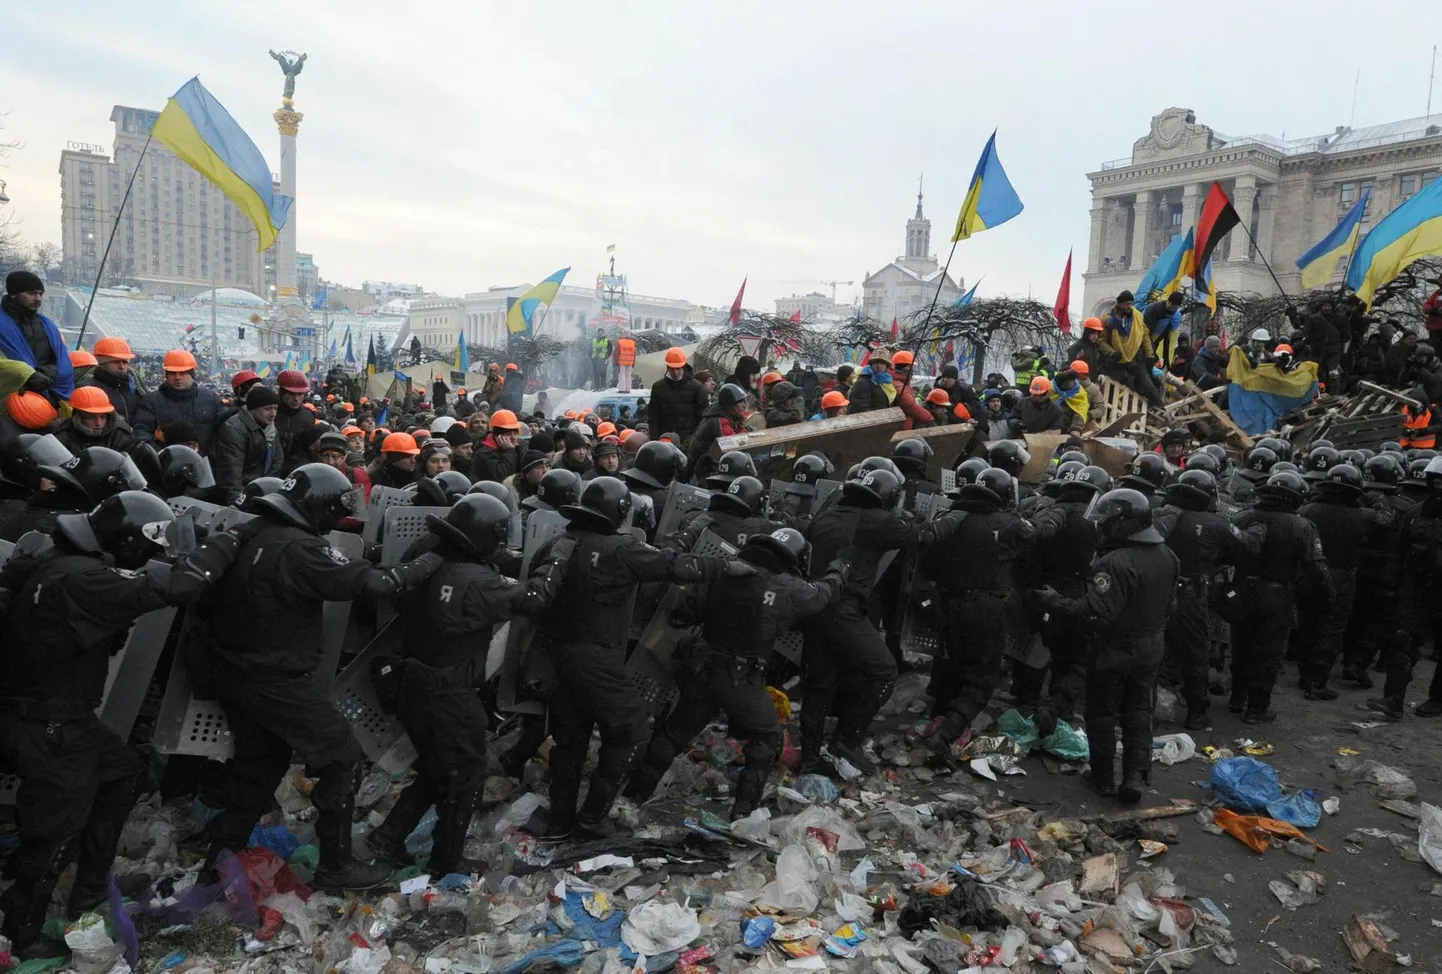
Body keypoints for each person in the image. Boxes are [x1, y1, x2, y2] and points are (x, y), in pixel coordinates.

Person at [0, 491, 253, 953]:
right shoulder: (86, 579)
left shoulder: (55, 562)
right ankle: (23, 931)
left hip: (51, 716)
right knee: (54, 833)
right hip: (52, 726)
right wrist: (229, 539)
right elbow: (177, 586)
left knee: (121, 772)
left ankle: (90, 886)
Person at [194, 465, 445, 890]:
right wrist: (431, 560)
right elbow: (373, 583)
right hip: (277, 679)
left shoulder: (250, 535)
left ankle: (215, 867)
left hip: (236, 673)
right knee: (340, 757)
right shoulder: (299, 548)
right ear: (320, 506)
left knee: (258, 769)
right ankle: (336, 866)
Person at [526, 476, 743, 839]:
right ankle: (591, 819)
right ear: (621, 513)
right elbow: (675, 566)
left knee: (571, 738)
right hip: (597, 658)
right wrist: (729, 567)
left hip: (557, 655)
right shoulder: (619, 550)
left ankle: (559, 821)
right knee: (631, 730)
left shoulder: (557, 543)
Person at [626, 529, 846, 817]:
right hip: (743, 679)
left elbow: (682, 613)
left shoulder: (725, 569)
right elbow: (822, 596)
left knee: (673, 734)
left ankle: (631, 798)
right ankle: (743, 815)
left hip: (702, 671)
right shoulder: (790, 587)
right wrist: (837, 573)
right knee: (767, 738)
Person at [363, 496, 526, 875]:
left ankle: (388, 836)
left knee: (439, 771)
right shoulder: (474, 579)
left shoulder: (427, 555)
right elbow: (529, 599)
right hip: (450, 693)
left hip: (414, 683)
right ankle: (446, 863)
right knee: (464, 776)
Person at [1037, 488, 1179, 802]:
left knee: (1101, 712)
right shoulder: (1168, 555)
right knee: (1140, 712)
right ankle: (1134, 779)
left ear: (1122, 523)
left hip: (1114, 650)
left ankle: (1102, 778)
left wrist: (1056, 602)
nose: (1102, 526)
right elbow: (1171, 606)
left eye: (1108, 521)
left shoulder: (1114, 563)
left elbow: (1094, 613)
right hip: (1151, 647)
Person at [921, 467, 1036, 753]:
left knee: (953, 664)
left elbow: (927, 563)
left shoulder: (949, 519)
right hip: (987, 607)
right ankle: (948, 732)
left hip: (949, 604)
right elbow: (1031, 544)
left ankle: (938, 718)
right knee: (982, 676)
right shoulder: (1010, 524)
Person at [1153, 469, 1261, 729]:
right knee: (1194, 653)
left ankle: (1146, 708)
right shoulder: (1217, 522)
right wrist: (1258, 529)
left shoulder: (1159, 514)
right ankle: (1197, 711)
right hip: (1190, 595)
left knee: (1152, 648)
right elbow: (1247, 546)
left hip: (1154, 591)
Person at [1229, 471, 1331, 723]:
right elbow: (1315, 566)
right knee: (1267, 652)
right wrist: (1329, 592)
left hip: (1240, 591)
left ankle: (1237, 698)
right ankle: (1256, 708)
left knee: (1241, 646)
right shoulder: (1301, 526)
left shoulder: (1242, 517)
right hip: (1276, 596)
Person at [1373, 456, 1442, 719]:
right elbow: (1398, 552)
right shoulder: (1416, 514)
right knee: (1402, 641)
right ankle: (1393, 700)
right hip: (1416, 589)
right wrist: (1390, 586)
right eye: (1436, 481)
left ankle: (1437, 699)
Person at [1296, 464, 1372, 701]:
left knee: (1308, 624)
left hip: (1309, 574)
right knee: (1331, 629)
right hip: (1340, 577)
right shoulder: (1364, 516)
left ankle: (1305, 675)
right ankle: (1317, 683)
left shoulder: (1307, 509)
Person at [0, 271, 74, 410]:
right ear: (13, 294)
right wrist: (27, 375)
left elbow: (61, 363)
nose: (38, 298)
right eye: (31, 293)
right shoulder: (2, 324)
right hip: (9, 406)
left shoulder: (48, 327)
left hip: (47, 403)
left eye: (41, 293)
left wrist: (45, 374)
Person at [131, 350, 225, 452]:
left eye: (183, 373)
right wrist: (160, 455)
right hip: (165, 464)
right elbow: (141, 432)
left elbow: (226, 429)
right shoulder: (151, 401)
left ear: (192, 375)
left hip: (205, 464)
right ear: (166, 375)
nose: (177, 377)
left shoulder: (211, 399)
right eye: (172, 373)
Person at [213, 385, 284, 495]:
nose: (273, 414)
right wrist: (236, 503)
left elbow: (277, 462)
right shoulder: (234, 429)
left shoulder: (271, 429)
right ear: (253, 409)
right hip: (242, 494)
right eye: (268, 409)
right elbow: (231, 471)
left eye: (275, 408)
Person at [1098, 291, 1164, 408]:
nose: (1129, 307)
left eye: (1131, 303)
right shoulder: (1108, 320)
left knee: (1148, 386)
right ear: (1119, 304)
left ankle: (1161, 410)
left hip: (1136, 358)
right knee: (1114, 390)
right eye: (1126, 304)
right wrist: (1111, 352)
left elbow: (1145, 336)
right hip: (1117, 361)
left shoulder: (1138, 316)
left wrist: (1150, 355)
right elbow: (1101, 340)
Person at [686, 383, 749, 483]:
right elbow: (734, 444)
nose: (744, 405)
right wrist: (747, 431)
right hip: (703, 469)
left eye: (744, 401)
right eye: (740, 402)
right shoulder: (720, 420)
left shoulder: (723, 413)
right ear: (730, 405)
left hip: (705, 463)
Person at [53, 386, 136, 455]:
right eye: (91, 418)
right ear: (78, 417)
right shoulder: (63, 437)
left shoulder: (121, 434)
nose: (98, 423)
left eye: (103, 417)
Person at [84, 336, 142, 420]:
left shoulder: (135, 387)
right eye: (115, 362)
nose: (121, 366)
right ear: (102, 363)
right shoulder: (87, 389)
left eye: (125, 362)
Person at [471, 409, 521, 483]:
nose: (513, 438)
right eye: (508, 434)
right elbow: (502, 476)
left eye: (515, 433)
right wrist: (509, 451)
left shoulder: (519, 446)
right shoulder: (484, 453)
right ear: (497, 436)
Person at [890, 351, 934, 429]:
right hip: (901, 428)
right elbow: (910, 405)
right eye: (910, 367)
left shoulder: (903, 383)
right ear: (903, 368)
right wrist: (929, 418)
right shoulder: (899, 385)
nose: (912, 370)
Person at [1142, 292, 1186, 366]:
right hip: (1146, 338)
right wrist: (1150, 349)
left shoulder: (1175, 316)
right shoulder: (1153, 310)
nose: (1172, 308)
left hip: (1158, 339)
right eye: (1171, 305)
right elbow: (1146, 331)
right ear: (1168, 301)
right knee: (1147, 360)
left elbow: (1170, 337)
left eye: (1175, 307)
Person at [846, 348, 895, 413]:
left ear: (886, 366)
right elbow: (860, 408)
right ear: (871, 364)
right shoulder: (862, 382)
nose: (879, 366)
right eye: (876, 362)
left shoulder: (885, 383)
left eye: (882, 363)